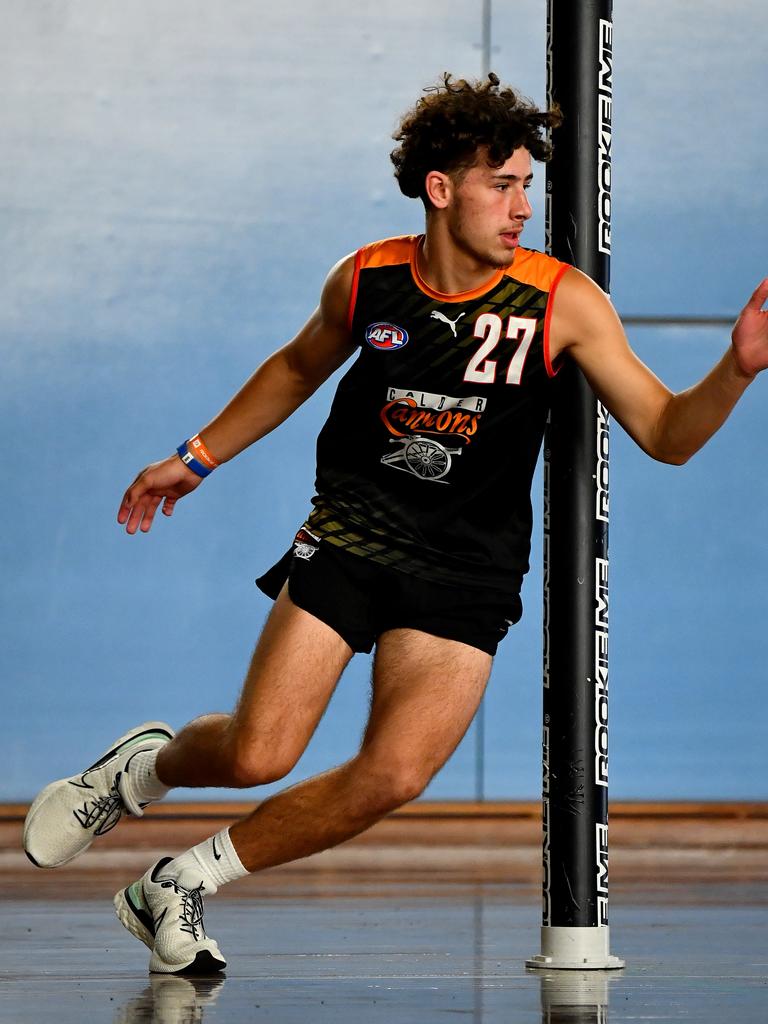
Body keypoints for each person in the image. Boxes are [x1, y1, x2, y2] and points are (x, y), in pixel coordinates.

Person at [23, 73, 768, 975]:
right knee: (260, 752)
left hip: (468, 567)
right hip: (353, 535)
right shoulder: (369, 278)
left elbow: (665, 433)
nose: (522, 206)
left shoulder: (561, 303)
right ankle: (136, 774)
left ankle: (176, 883)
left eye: (528, 185)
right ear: (441, 189)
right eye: (504, 185)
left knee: (397, 775)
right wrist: (196, 457)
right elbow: (296, 369)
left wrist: (736, 369)